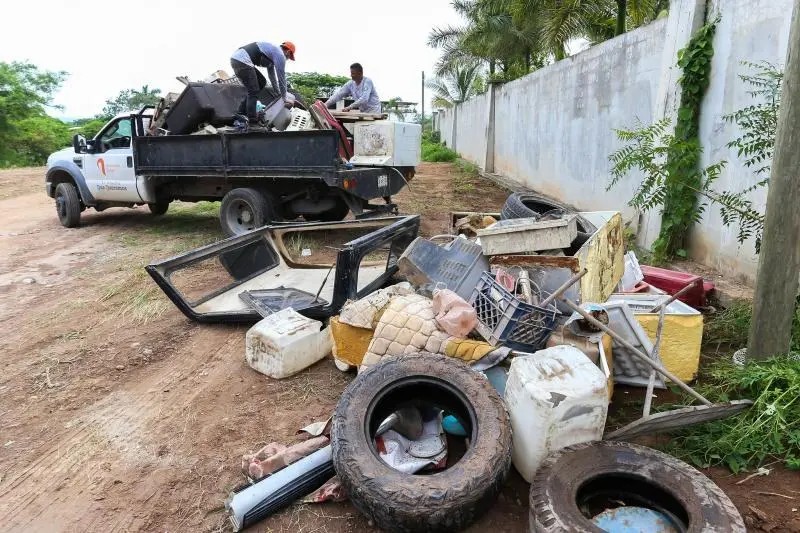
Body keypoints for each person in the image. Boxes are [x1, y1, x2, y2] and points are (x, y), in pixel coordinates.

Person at [230, 41, 296, 123]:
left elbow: (272, 77)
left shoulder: (272, 54)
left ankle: (240, 113)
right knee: (253, 90)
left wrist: (278, 93)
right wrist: (284, 98)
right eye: (289, 57)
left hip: (238, 59)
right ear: (288, 52)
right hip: (241, 61)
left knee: (261, 82)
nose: (288, 59)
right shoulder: (280, 55)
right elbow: (281, 79)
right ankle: (252, 121)